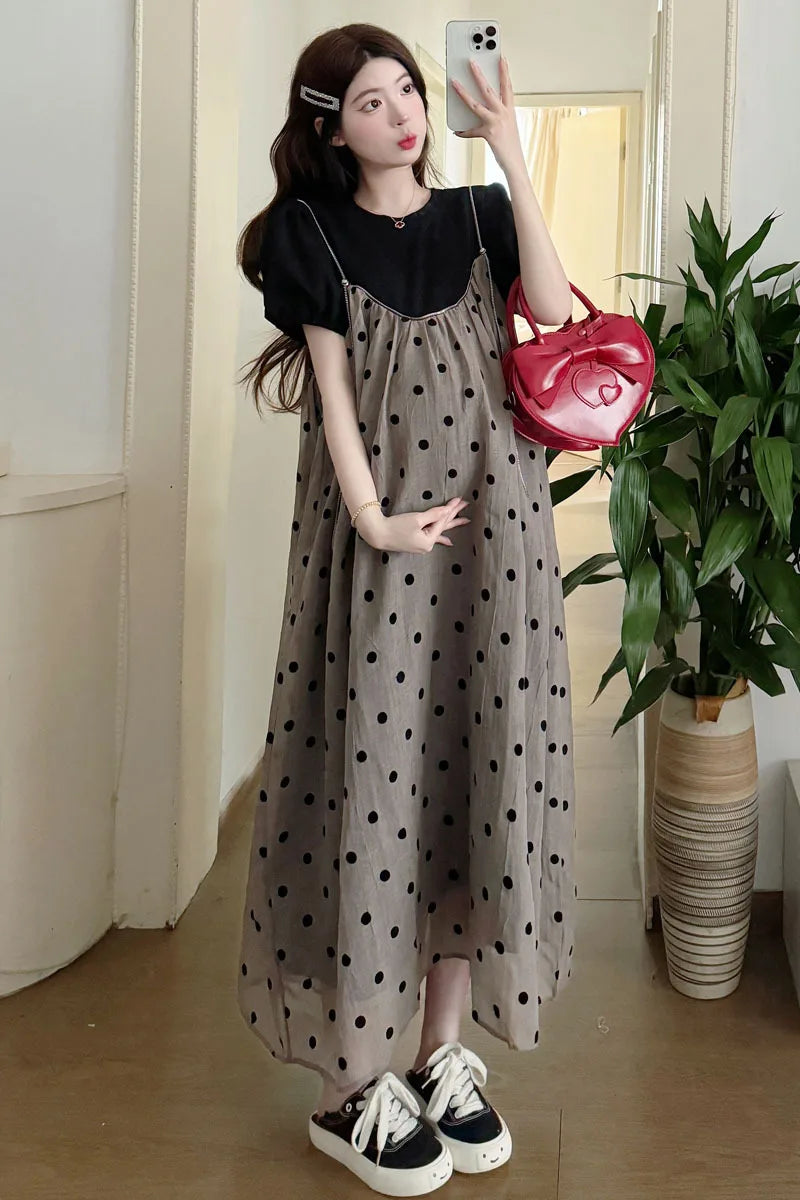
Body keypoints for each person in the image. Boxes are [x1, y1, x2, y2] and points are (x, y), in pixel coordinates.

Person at [235, 22, 578, 1198]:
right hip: (380, 551)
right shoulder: (311, 233)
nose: (400, 116)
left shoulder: (478, 215)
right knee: (374, 782)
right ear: (331, 129)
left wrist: (510, 147)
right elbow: (332, 397)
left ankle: (439, 1055)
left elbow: (547, 304)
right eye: (371, 103)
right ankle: (351, 1085)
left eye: (407, 94)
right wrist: (376, 522)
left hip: (495, 544)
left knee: (471, 775)